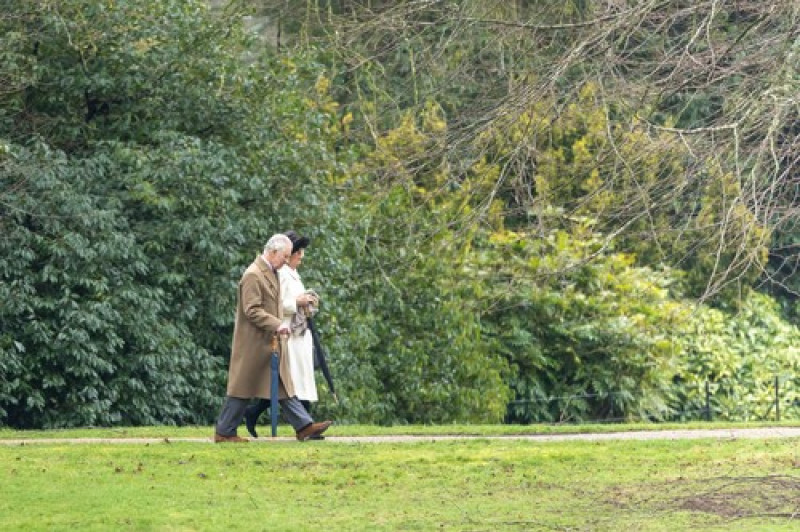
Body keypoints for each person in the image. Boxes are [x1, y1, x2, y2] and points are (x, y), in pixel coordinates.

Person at [214, 233, 332, 443]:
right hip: (253, 342)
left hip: (270, 341)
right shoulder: (253, 274)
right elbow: (252, 310)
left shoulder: (271, 272)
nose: (287, 261)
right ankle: (224, 431)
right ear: (273, 251)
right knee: (242, 387)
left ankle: (304, 426)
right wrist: (278, 324)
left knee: (284, 385)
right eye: (285, 256)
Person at [244, 230, 320, 438]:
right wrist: (299, 302)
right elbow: (279, 304)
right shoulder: (283, 275)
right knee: (291, 383)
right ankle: (306, 426)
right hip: (287, 332)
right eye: (296, 256)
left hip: (298, 332)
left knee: (295, 382)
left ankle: (304, 425)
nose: (298, 261)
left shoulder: (294, 274)